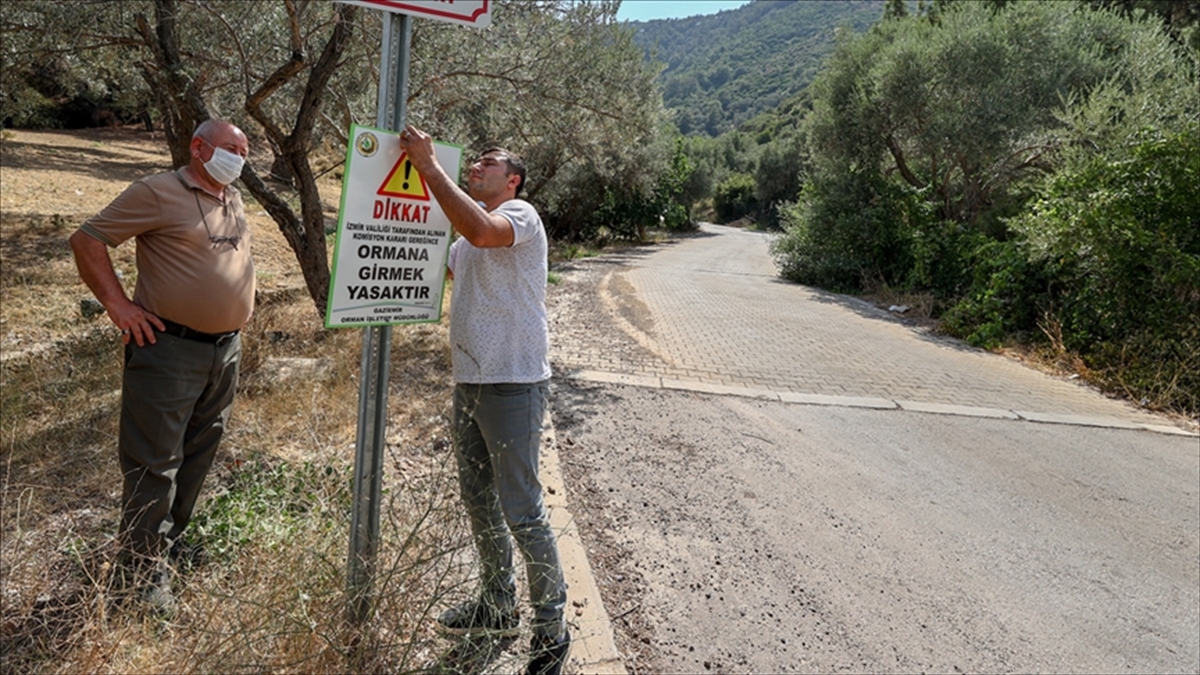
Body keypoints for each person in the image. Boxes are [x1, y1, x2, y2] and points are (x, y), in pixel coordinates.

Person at [399, 125, 570, 675]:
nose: (478, 164)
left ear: (512, 180)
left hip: (513, 381)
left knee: (522, 509)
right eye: (474, 160)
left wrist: (429, 167)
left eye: (489, 162)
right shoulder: (463, 238)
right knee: (478, 500)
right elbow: (438, 260)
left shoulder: (520, 216)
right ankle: (497, 606)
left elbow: (479, 230)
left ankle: (551, 628)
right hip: (469, 381)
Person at [68, 119, 254, 612]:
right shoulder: (157, 191)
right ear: (199, 147)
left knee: (197, 455)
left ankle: (165, 549)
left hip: (224, 351)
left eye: (245, 151)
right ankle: (137, 579)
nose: (240, 158)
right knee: (155, 464)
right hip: (170, 349)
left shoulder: (230, 197)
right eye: (232, 148)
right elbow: (87, 240)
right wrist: (119, 307)